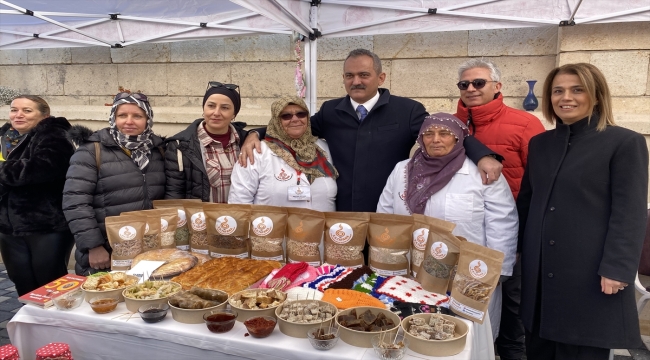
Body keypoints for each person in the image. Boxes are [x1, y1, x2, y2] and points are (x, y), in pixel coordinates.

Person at [240, 49, 503, 213]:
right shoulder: (331, 110)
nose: (356, 81)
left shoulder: (408, 110)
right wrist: (255, 133)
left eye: (364, 75)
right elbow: (294, 127)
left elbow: (445, 135)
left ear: (380, 78)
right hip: (341, 212)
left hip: (388, 210)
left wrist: (482, 156)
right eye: (349, 75)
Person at [517, 63, 648, 359]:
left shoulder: (625, 143)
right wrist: (514, 250)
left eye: (578, 90)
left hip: (590, 273)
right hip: (540, 272)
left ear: (597, 95)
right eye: (558, 91)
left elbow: (630, 213)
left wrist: (616, 268)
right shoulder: (540, 144)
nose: (567, 97)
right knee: (538, 347)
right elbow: (527, 201)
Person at [377, 112, 518, 339]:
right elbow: (386, 215)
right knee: (415, 332)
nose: (435, 139)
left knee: (464, 337)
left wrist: (499, 270)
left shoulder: (481, 173)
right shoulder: (402, 170)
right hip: (412, 272)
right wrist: (386, 259)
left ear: (458, 138)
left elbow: (503, 221)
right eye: (428, 134)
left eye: (444, 133)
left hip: (467, 274)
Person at [454, 59, 545, 360]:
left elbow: (540, 181)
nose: (470, 89)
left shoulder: (524, 123)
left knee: (512, 303)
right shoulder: (452, 124)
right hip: (466, 233)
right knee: (469, 300)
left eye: (478, 83)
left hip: (512, 228)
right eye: (464, 84)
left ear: (497, 86)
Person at [63, 92, 166, 275]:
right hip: (107, 252)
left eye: (137, 116)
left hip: (150, 250)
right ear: (113, 118)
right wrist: (93, 246)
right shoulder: (91, 152)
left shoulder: (158, 151)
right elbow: (75, 203)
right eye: (122, 115)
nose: (129, 121)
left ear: (148, 119)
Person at [0, 95, 75, 296]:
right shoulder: (6, 138)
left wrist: (3, 171)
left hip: (46, 224)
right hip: (9, 227)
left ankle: (57, 324)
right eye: (14, 110)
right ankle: (31, 323)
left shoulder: (54, 135)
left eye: (27, 110)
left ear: (44, 115)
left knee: (50, 282)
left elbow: (43, 168)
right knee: (21, 279)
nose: (18, 115)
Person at [229, 95, 337, 211]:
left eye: (301, 114)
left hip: (322, 228)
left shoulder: (324, 149)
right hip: (273, 228)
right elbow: (239, 203)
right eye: (286, 116)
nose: (295, 119)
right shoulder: (257, 152)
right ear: (276, 121)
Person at [165, 82, 248, 202]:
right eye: (211, 106)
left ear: (234, 114)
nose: (216, 113)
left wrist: (255, 134)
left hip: (240, 218)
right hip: (201, 219)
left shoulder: (245, 141)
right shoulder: (180, 145)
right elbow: (174, 193)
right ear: (203, 109)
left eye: (225, 107)